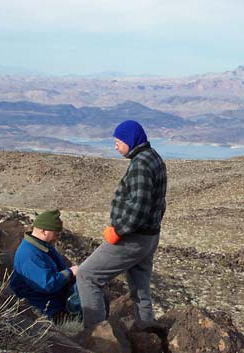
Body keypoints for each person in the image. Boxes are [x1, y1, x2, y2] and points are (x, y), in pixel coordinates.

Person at [77, 120, 167, 329]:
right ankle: (146, 331)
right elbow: (159, 203)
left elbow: (139, 207)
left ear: (130, 140)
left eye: (118, 141)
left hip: (132, 239)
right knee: (140, 289)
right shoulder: (153, 157)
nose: (115, 146)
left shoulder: (141, 165)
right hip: (149, 237)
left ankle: (97, 335)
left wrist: (118, 231)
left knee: (87, 275)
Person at [10, 209, 80, 321]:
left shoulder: (43, 247)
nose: (58, 237)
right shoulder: (29, 254)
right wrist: (70, 273)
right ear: (44, 232)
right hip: (47, 309)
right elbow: (47, 284)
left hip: (56, 303)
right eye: (56, 234)